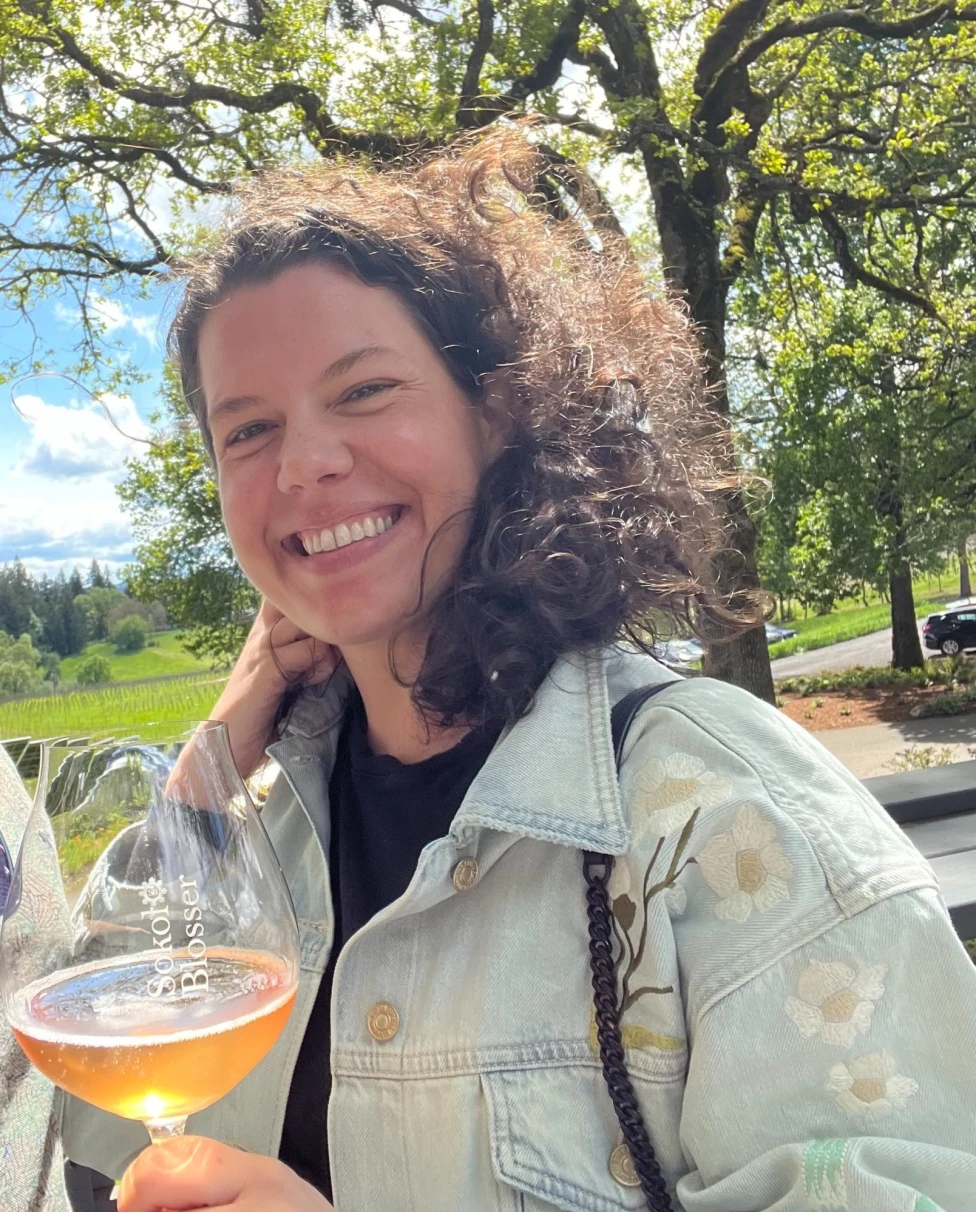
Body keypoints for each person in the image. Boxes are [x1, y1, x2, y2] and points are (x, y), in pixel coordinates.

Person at [58, 131, 976, 1212]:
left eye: (364, 390)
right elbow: (89, 1113)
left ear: (498, 412)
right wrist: (209, 764)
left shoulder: (719, 814)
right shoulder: (260, 823)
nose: (304, 462)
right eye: (248, 429)